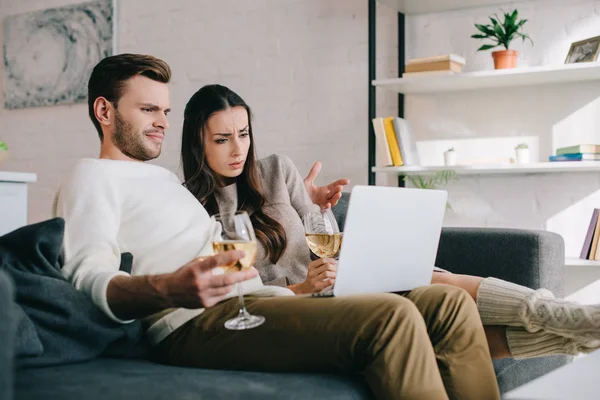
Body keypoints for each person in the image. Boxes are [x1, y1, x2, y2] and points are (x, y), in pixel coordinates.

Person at [53, 53, 500, 400]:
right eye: (148, 109)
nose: (162, 123)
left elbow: (228, 265)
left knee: (445, 303)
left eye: (166, 111)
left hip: (250, 301)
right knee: (392, 318)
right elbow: (87, 276)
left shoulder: (165, 182)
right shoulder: (90, 177)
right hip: (191, 324)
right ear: (104, 111)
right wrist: (169, 288)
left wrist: (288, 275)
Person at [180, 84, 600, 361]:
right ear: (198, 141)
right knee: (429, 310)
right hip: (304, 308)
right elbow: (238, 298)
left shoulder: (275, 170)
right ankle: (575, 329)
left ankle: (565, 319)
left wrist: (321, 208)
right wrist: (300, 287)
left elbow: (323, 237)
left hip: (340, 278)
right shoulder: (191, 207)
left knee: (424, 274)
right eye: (222, 139)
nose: (239, 148)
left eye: (245, 133)